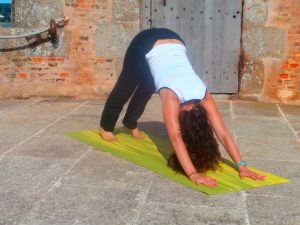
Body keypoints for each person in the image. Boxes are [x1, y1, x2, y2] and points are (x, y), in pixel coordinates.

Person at [99, 28, 266, 187]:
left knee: (149, 85)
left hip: (175, 40)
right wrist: (193, 174)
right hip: (144, 42)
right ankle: (105, 127)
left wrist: (241, 166)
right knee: (126, 85)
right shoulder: (172, 97)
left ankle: (130, 123)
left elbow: (223, 134)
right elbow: (176, 137)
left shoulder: (205, 96)